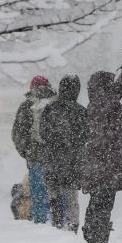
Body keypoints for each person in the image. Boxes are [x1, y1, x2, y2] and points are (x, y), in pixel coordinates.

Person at [81, 38, 122, 243]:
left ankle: (92, 234)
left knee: (97, 201)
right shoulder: (106, 102)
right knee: (104, 202)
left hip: (95, 163)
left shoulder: (94, 105)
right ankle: (97, 237)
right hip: (107, 163)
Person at [41, 74, 87, 233]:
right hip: (72, 162)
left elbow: (43, 133)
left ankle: (57, 221)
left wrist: (55, 144)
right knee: (71, 196)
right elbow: (85, 136)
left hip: (52, 159)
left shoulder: (50, 109)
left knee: (53, 193)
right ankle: (72, 225)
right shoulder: (80, 111)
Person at [12, 75, 56, 224]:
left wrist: (26, 152)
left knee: (38, 194)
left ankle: (41, 222)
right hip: (56, 159)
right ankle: (58, 223)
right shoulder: (56, 104)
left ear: (32, 88)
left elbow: (17, 134)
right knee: (57, 193)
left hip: (35, 158)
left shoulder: (26, 106)